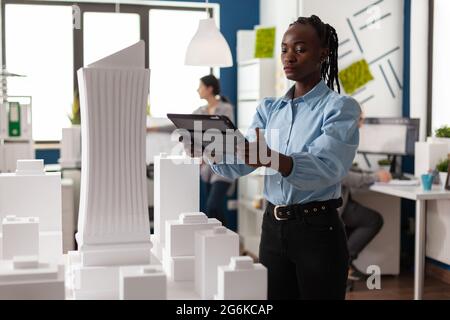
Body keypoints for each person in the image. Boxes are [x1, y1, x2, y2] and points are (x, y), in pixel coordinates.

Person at [183, 15, 361, 300]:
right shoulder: (269, 108)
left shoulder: (340, 108)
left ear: (323, 53)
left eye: (300, 49)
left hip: (318, 231)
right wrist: (208, 151)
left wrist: (273, 159)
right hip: (272, 228)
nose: (289, 57)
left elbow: (328, 167)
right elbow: (243, 162)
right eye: (284, 49)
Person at [193, 75, 235, 225]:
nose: (197, 90)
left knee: (212, 206)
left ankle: (228, 242)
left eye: (200, 86)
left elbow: (227, 135)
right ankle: (223, 243)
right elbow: (182, 126)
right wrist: (154, 128)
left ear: (209, 89)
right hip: (206, 167)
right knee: (212, 212)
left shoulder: (226, 109)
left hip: (224, 163)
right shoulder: (199, 111)